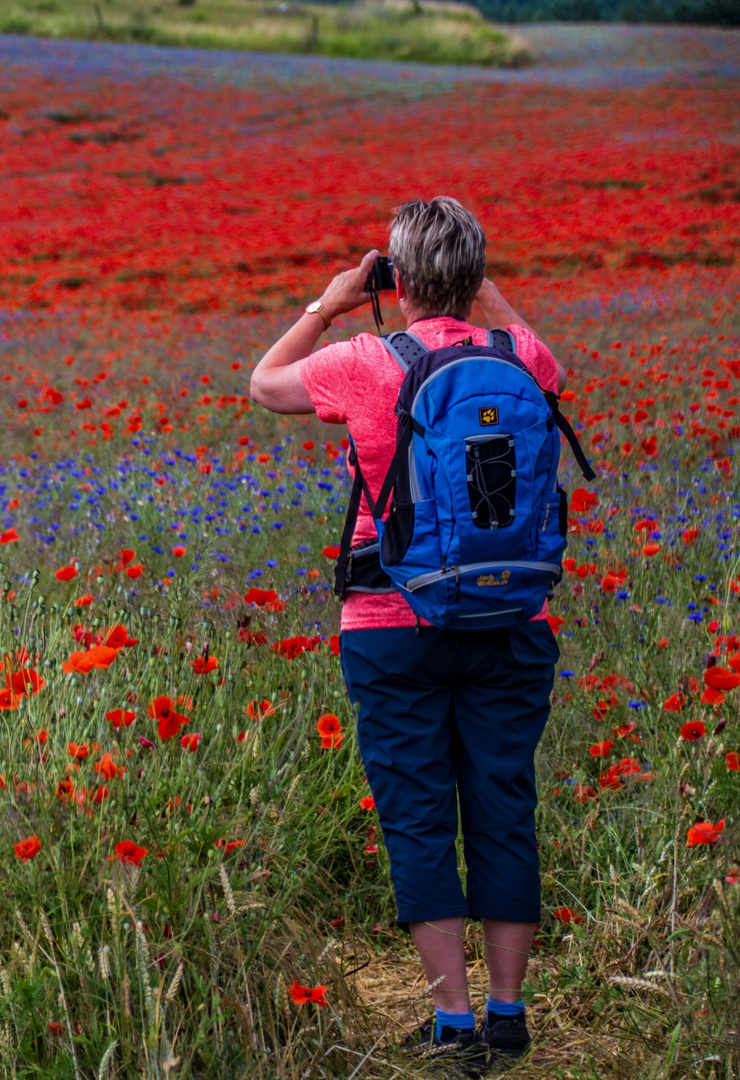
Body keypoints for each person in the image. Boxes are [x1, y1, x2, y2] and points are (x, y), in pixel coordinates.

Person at [249, 197, 565, 1067]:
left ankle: (452, 1020)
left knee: (419, 816)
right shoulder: (521, 356)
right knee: (504, 807)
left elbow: (264, 383)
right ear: (469, 274)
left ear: (398, 277)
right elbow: (555, 367)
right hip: (512, 618)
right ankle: (509, 1013)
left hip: (391, 622)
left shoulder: (365, 359)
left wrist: (333, 301)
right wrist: (484, 296)